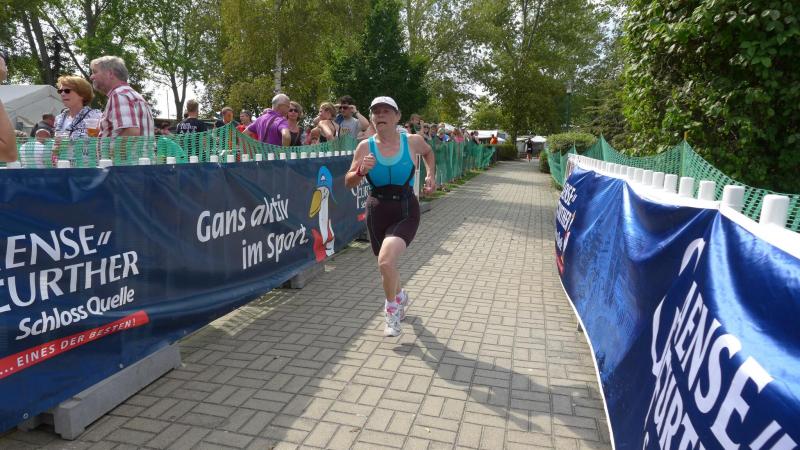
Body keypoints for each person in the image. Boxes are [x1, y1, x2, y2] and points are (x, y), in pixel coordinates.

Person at [344, 96, 435, 337]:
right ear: (371, 117)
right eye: (376, 112)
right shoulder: (365, 147)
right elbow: (348, 182)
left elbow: (428, 152)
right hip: (377, 209)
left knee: (385, 261)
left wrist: (430, 175)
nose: (381, 115)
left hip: (406, 209)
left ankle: (392, 311)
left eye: (386, 111)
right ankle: (401, 295)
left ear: (397, 116)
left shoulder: (412, 141)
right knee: (387, 264)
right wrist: (361, 171)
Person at [90, 56, 154, 140]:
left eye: (95, 72)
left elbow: (131, 132)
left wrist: (109, 149)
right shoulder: (133, 95)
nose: (91, 77)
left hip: (126, 150)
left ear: (110, 73)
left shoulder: (119, 95)